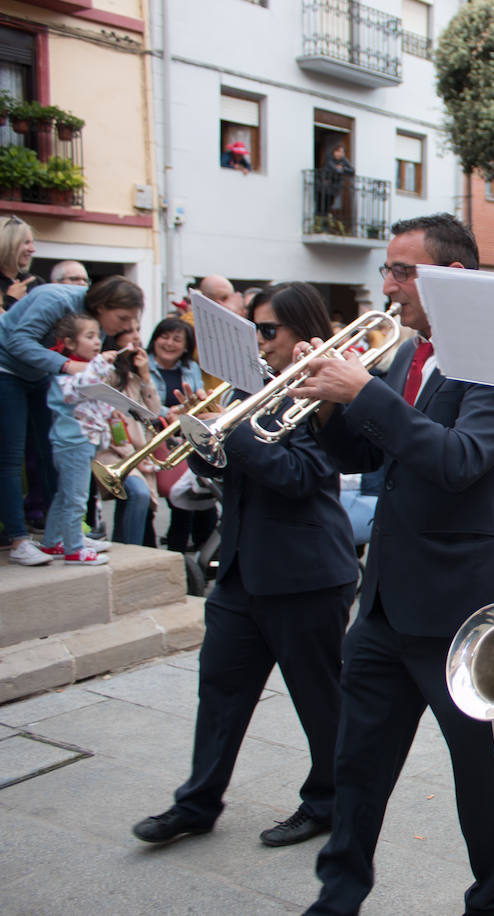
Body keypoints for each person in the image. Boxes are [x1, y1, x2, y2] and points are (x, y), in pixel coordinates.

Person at [289, 214, 494, 916]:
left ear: (450, 278)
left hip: (463, 616)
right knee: (356, 765)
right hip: (385, 606)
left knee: (481, 782)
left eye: (402, 271)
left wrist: (360, 393)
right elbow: (368, 459)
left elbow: (458, 461)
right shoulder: (407, 355)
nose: (387, 285)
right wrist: (330, 407)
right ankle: (337, 897)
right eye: (387, 271)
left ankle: (489, 903)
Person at [132, 281, 356, 848]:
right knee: (220, 692)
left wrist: (231, 433)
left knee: (319, 701)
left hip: (305, 574)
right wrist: (205, 447)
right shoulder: (244, 391)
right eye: (254, 329)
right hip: (239, 570)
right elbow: (239, 476)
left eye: (268, 330)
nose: (260, 341)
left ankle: (327, 802)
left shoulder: (320, 393)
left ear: (301, 332)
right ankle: (198, 802)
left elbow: (301, 477)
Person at [0, 279, 141, 564]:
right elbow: (17, 341)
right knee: (11, 459)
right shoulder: (55, 299)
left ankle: (66, 535)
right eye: (123, 318)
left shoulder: (96, 319)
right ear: (102, 307)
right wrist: (66, 365)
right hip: (6, 368)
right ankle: (18, 540)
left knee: (51, 457)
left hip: (40, 373)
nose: (126, 327)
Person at [38, 311, 118, 565]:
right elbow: (84, 386)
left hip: (82, 443)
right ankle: (74, 549)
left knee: (65, 495)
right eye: (90, 336)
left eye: (99, 337)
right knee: (75, 498)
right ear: (70, 343)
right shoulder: (65, 377)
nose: (97, 342)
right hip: (73, 445)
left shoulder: (84, 373)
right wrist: (100, 364)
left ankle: (51, 542)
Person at [146, 317, 216, 554]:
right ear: (154, 339)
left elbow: (196, 400)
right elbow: (141, 400)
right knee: (166, 498)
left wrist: (186, 411)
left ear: (186, 346)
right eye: (164, 337)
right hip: (152, 437)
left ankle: (194, 552)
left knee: (189, 495)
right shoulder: (142, 365)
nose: (169, 343)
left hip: (183, 437)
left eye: (177, 339)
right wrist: (170, 412)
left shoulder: (191, 368)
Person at [95, 331, 162, 546]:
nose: (136, 337)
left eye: (137, 331)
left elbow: (153, 412)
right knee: (139, 494)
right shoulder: (109, 374)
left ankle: (123, 547)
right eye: (128, 332)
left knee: (132, 501)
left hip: (138, 455)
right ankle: (131, 551)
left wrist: (145, 377)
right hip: (114, 453)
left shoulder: (137, 375)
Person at [0, 214, 41, 309]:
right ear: (6, 244)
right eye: (26, 243)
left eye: (32, 243)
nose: (32, 249)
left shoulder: (36, 282)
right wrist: (10, 300)